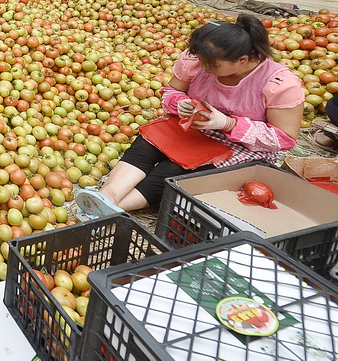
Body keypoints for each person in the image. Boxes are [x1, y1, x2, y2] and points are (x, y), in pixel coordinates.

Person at [74, 14, 303, 218]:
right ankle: (107, 196)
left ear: (242, 60)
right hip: (195, 128)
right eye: (201, 59)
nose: (203, 66)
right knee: (148, 143)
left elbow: (284, 139)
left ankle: (110, 208)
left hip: (241, 145)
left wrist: (228, 123)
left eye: (210, 63)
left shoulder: (278, 84)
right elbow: (171, 91)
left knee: (174, 169)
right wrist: (180, 103)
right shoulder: (196, 62)